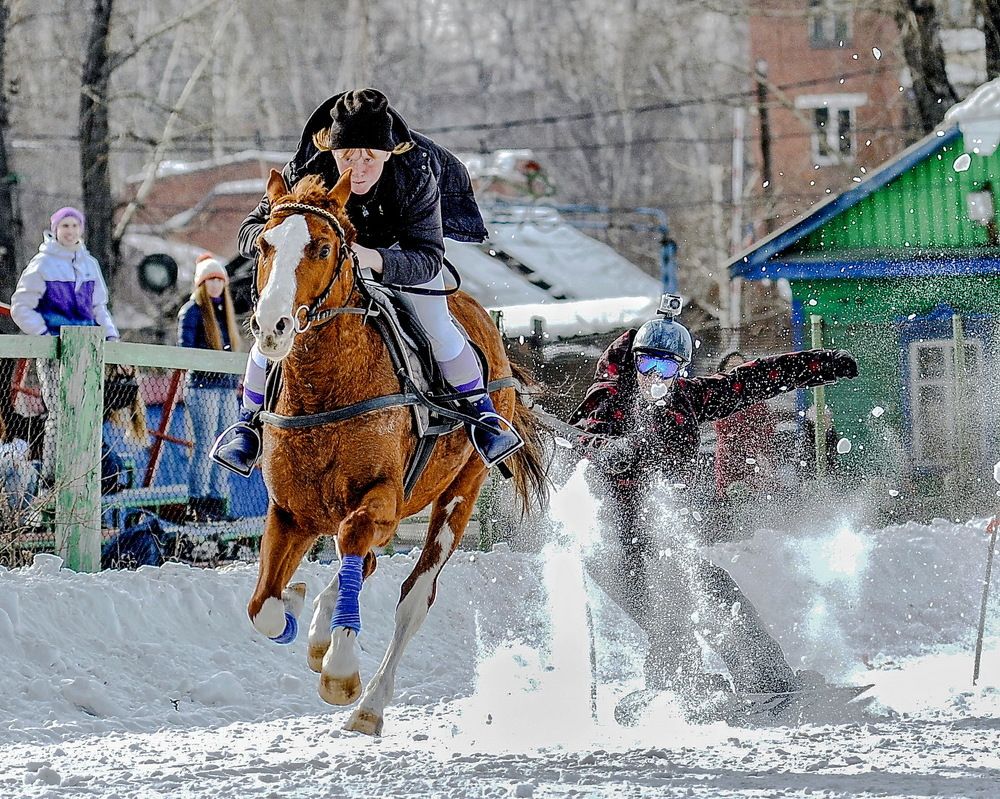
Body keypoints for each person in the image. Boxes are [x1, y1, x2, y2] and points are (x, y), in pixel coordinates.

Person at [212, 88, 521, 475]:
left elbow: (427, 259)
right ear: (331, 152)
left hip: (398, 255)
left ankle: (485, 418)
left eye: (369, 158)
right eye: (346, 157)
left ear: (388, 153)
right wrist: (271, 239)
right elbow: (251, 227)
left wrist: (372, 258)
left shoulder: (415, 174)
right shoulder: (304, 170)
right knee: (273, 322)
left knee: (438, 327)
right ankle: (247, 424)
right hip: (325, 262)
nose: (356, 169)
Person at [568, 295, 859, 696]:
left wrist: (819, 365)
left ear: (680, 371)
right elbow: (584, 437)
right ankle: (674, 695)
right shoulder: (609, 399)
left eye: (665, 367)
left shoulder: (686, 400)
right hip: (611, 545)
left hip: (657, 539)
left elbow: (750, 381)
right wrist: (606, 448)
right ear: (634, 362)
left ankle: (767, 684)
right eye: (646, 364)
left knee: (720, 596)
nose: (653, 375)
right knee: (673, 615)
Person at [10, 206, 119, 484]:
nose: (70, 231)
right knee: (60, 411)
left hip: (87, 350)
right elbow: (21, 307)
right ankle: (53, 476)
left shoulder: (89, 264)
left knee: (87, 410)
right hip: (56, 351)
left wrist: (111, 339)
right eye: (64, 226)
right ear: (55, 229)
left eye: (74, 225)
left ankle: (84, 473)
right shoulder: (43, 263)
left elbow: (98, 308)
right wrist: (45, 336)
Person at [177, 254, 242, 522]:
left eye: (219, 280)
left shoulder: (225, 311)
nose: (215, 285)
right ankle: (198, 501)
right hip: (202, 386)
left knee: (226, 442)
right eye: (210, 280)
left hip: (226, 387)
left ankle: (218, 500)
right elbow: (185, 349)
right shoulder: (192, 310)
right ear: (201, 284)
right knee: (205, 443)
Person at [713, 351, 780, 503]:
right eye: (732, 367)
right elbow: (723, 429)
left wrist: (760, 452)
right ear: (723, 371)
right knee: (731, 501)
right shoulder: (719, 397)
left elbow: (769, 425)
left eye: (741, 366)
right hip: (729, 461)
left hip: (756, 459)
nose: (737, 370)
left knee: (761, 502)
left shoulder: (755, 396)